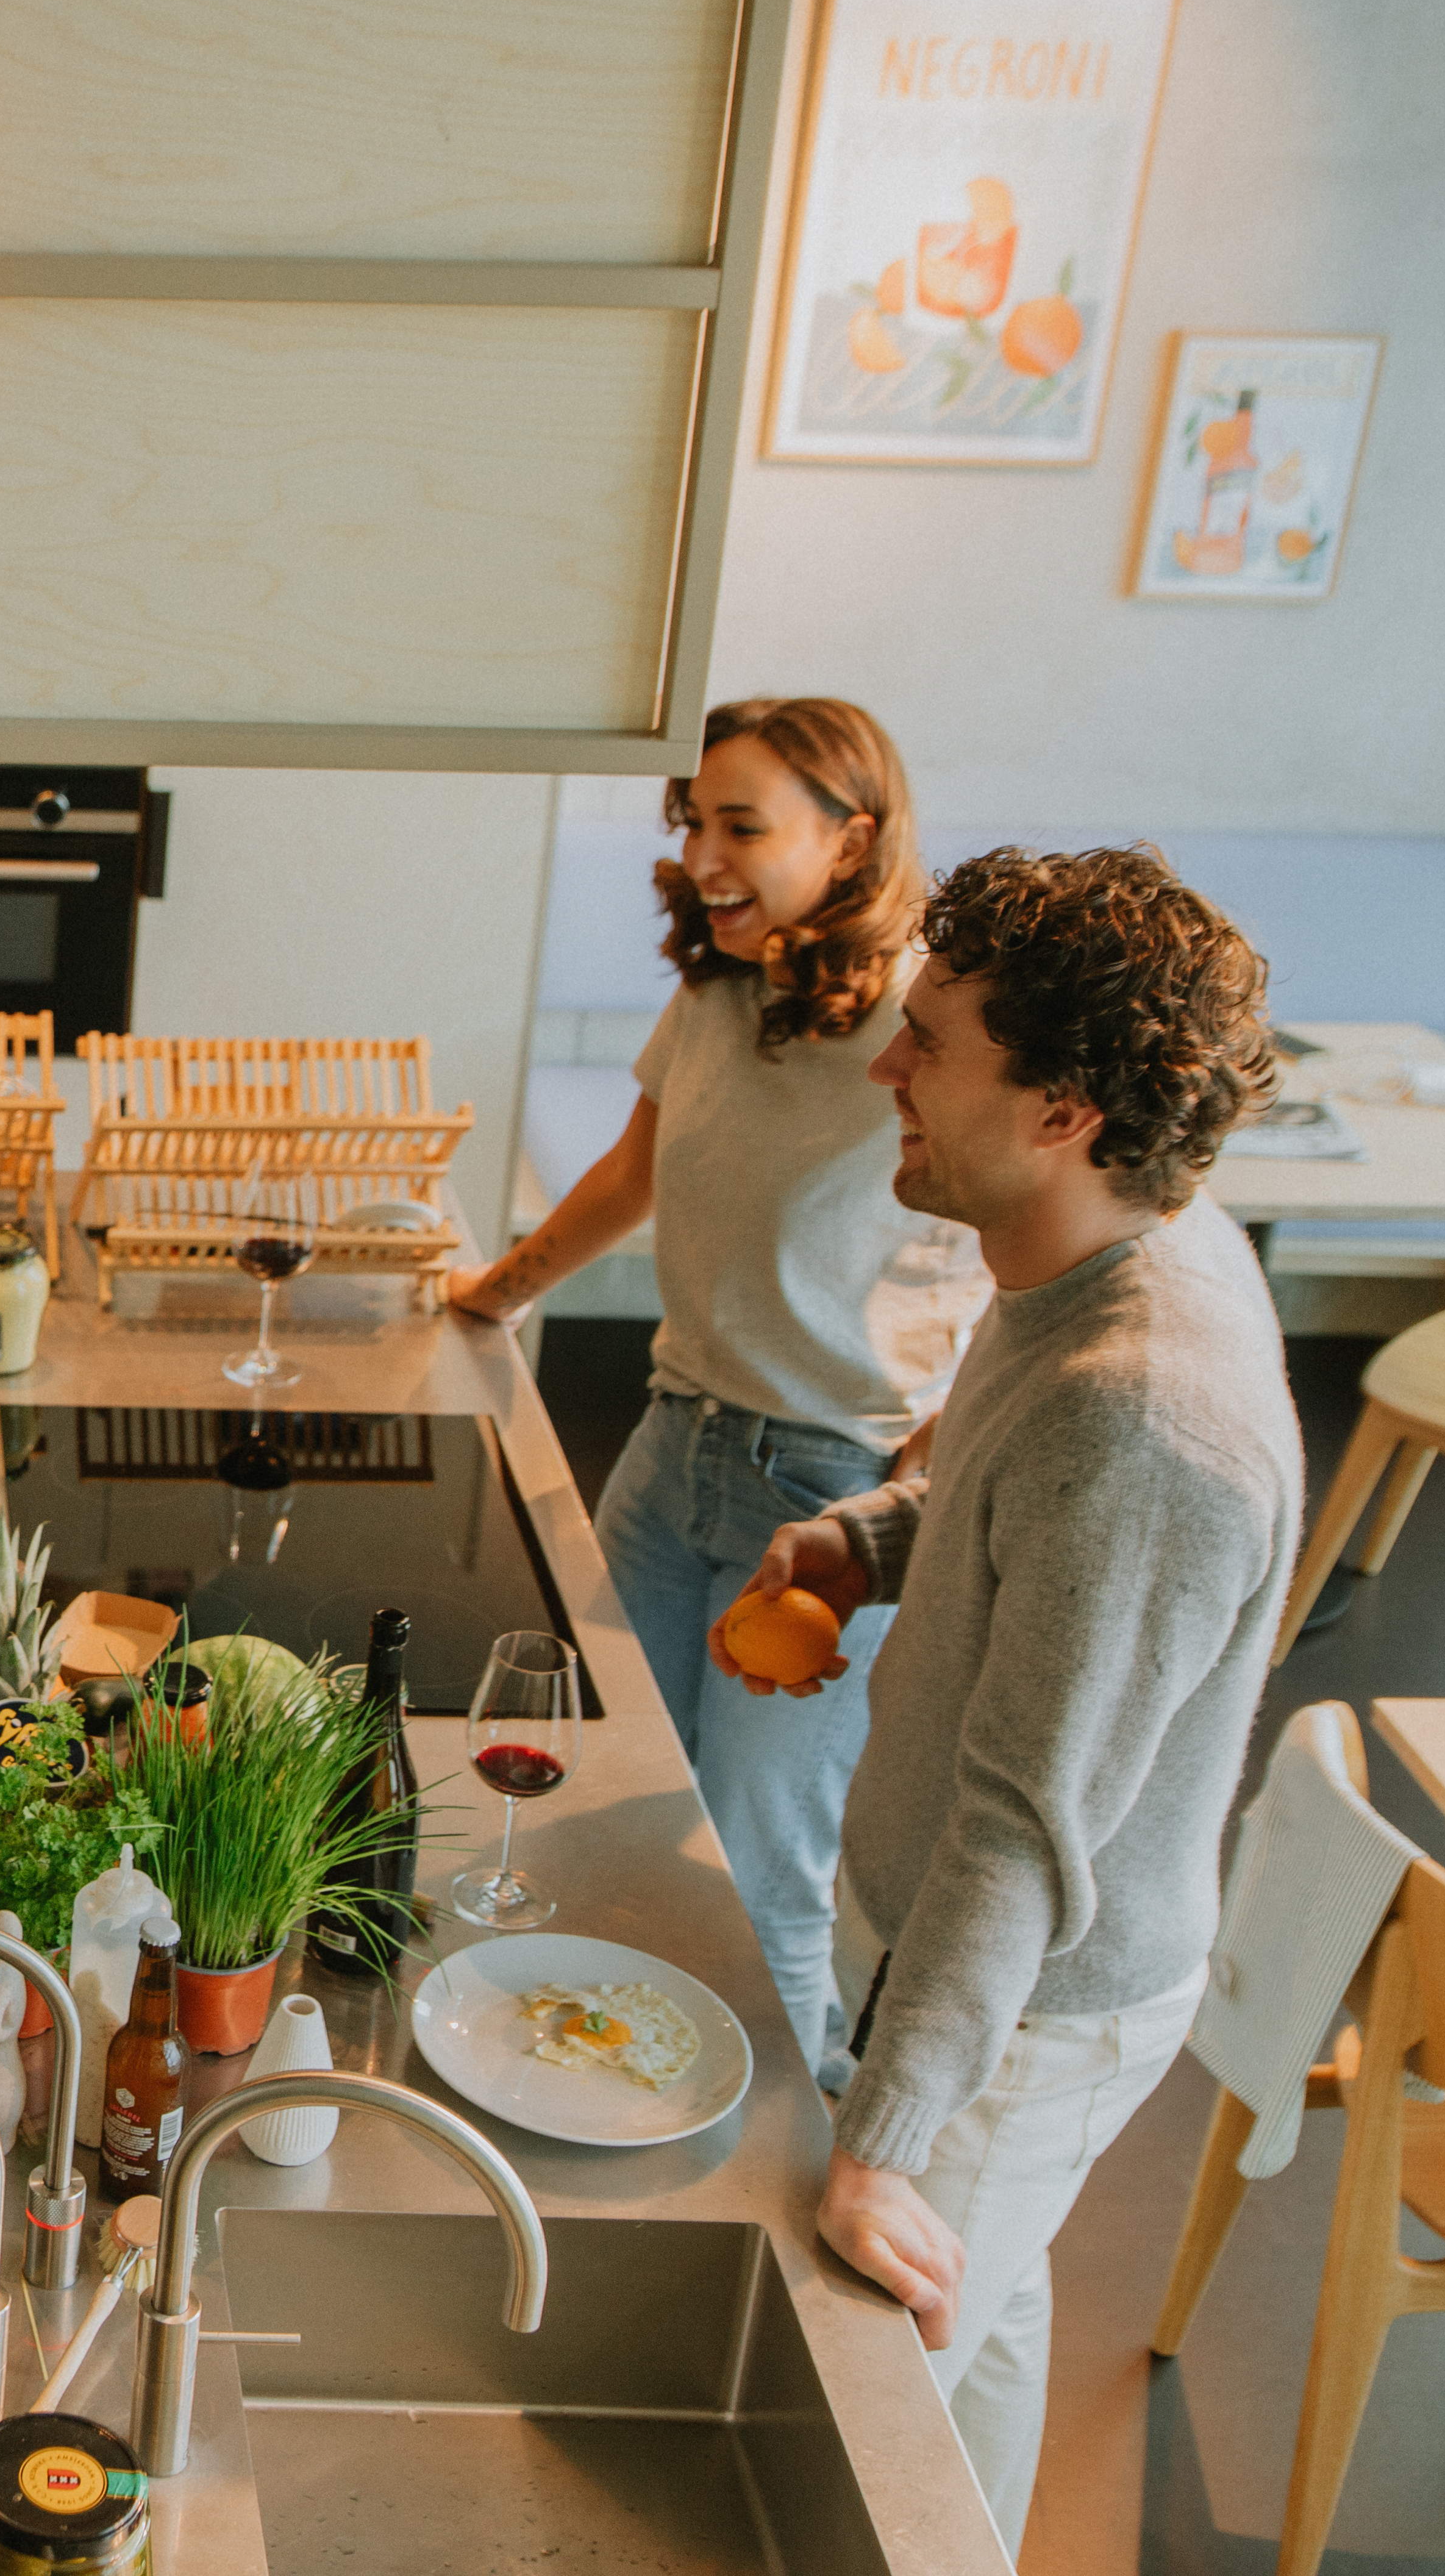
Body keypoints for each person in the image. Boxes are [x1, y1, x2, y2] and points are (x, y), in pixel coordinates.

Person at [731, 847, 1299, 2560]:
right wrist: (861, 1540)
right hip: (968, 1959)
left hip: (1014, 2005)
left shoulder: (1147, 1419)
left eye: (934, 1044)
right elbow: (997, 1503)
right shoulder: (1085, 1255)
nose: (890, 1068)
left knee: (859, 2420)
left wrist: (889, 2143)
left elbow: (1025, 1835)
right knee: (985, 2328)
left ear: (1060, 1106)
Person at [446, 701, 987, 2078]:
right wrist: (493, 1292)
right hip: (670, 1443)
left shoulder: (934, 1020)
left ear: (851, 835)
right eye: (692, 821)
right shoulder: (718, 993)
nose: (700, 854)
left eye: (741, 825)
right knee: (619, 1791)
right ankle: (623, 2073)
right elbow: (636, 1172)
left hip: (824, 1488)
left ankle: (798, 2194)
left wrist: (915, 1481)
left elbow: (1019, 1243)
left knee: (764, 1862)